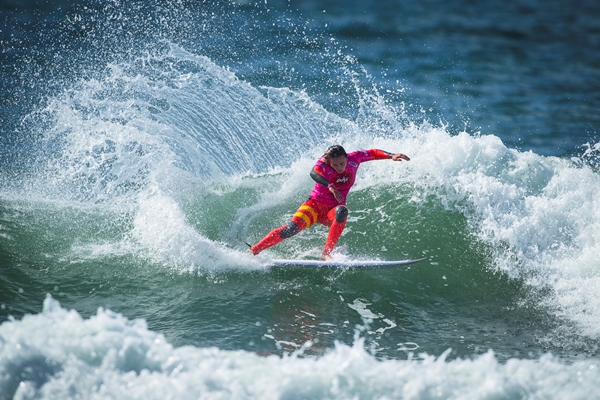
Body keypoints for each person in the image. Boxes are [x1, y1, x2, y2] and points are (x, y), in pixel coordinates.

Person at [248, 145, 410, 259]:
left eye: (342, 163)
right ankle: (254, 251)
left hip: (331, 211)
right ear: (329, 161)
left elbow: (373, 152)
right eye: (335, 164)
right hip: (313, 207)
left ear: (347, 158)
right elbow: (314, 173)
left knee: (342, 212)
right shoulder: (323, 164)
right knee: (289, 231)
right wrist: (330, 186)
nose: (339, 167)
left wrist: (390, 155)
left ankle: (327, 254)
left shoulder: (355, 158)